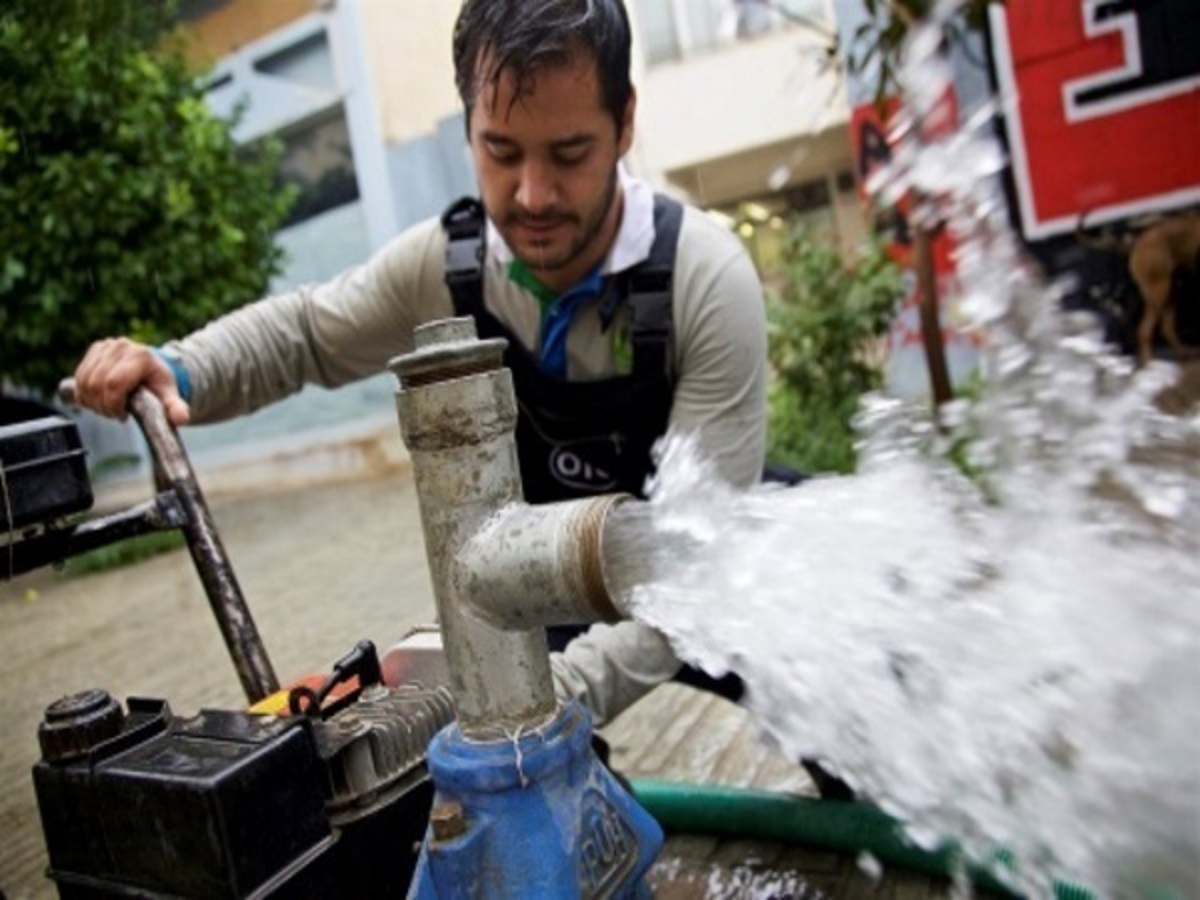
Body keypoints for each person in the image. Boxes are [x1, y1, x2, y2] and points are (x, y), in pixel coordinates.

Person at [73, 0, 766, 732]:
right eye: (501, 152)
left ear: (625, 122)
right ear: (468, 129)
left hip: (706, 573)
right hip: (537, 586)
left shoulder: (703, 281)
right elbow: (306, 332)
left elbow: (694, 574)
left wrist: (555, 698)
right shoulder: (443, 267)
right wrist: (177, 372)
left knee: (845, 712)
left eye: (568, 155)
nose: (533, 195)